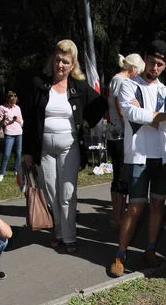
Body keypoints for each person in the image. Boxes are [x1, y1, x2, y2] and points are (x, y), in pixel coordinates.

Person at [23, 39, 107, 253]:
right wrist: (28, 152)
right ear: (52, 60)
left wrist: (86, 122)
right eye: (58, 60)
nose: (60, 65)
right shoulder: (38, 84)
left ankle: (70, 236)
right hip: (44, 149)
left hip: (69, 148)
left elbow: (101, 104)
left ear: (73, 65)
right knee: (51, 194)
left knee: (67, 194)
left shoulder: (78, 87)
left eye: (66, 62)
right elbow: (31, 120)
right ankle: (59, 233)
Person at [108, 40, 166, 277]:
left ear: (164, 66)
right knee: (135, 207)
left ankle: (150, 249)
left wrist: (149, 116)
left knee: (158, 205)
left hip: (163, 156)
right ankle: (120, 255)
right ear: (145, 59)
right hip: (138, 155)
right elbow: (130, 113)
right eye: (152, 62)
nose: (155, 67)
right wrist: (161, 117)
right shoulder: (129, 85)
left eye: (160, 64)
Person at [107, 53, 145, 228]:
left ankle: (117, 214)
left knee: (118, 175)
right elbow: (120, 107)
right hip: (121, 135)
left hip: (113, 134)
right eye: (139, 72)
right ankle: (118, 216)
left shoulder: (115, 79)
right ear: (134, 69)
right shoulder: (122, 82)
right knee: (122, 176)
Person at [0, 91, 23, 181]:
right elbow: (0, 124)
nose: (13, 104)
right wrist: (4, 118)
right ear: (7, 100)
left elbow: (22, 122)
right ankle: (2, 173)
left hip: (18, 132)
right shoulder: (2, 107)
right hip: (9, 133)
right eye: (12, 102)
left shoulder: (17, 108)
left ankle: (16, 171)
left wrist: (16, 119)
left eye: (14, 102)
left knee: (18, 153)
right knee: (6, 154)